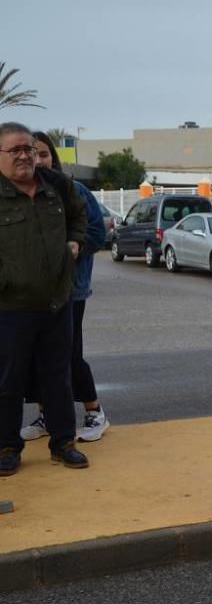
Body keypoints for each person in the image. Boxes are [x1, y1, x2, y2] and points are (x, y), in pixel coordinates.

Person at [0, 122, 90, 476]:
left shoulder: (56, 185)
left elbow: (80, 213)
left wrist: (76, 241)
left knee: (58, 377)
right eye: (15, 151)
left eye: (29, 149)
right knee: (8, 381)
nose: (25, 156)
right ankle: (7, 447)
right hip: (9, 308)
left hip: (56, 302)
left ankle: (63, 443)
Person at [20, 132, 110, 443]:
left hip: (70, 290)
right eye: (32, 153)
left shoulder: (77, 192)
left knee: (69, 354)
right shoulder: (23, 194)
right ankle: (47, 416)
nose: (38, 160)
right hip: (31, 293)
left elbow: (98, 234)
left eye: (43, 154)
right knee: (36, 355)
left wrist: (69, 248)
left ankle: (94, 412)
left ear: (53, 159)